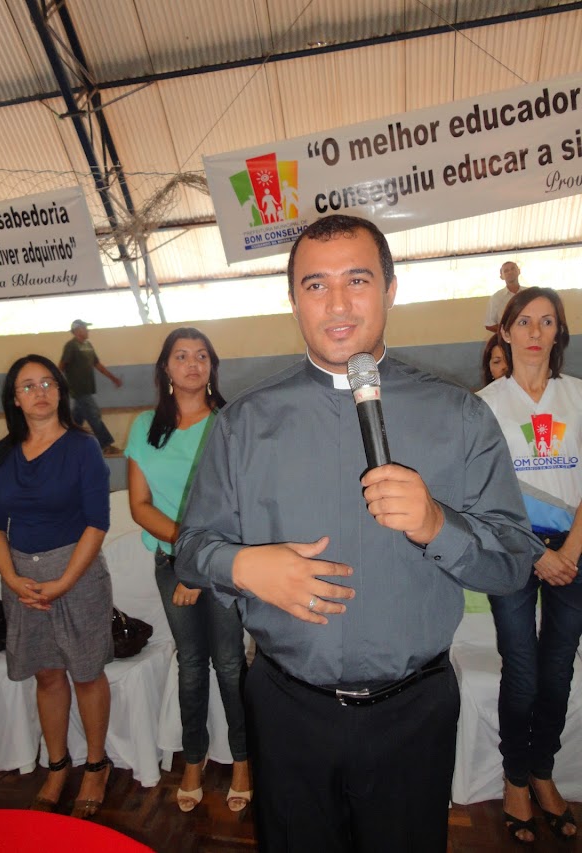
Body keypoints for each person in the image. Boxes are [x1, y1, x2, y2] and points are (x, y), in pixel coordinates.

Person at [175, 214, 539, 853]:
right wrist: (243, 567)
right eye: (315, 285)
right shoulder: (244, 424)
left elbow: (513, 563)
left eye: (358, 280)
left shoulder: (459, 416)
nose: (337, 304)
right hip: (287, 710)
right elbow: (189, 549)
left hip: (413, 713)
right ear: (293, 301)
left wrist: (436, 525)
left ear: (391, 289)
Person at [126, 328, 250, 813]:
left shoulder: (227, 422)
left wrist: (200, 564)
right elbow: (139, 505)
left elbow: (234, 505)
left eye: (202, 356)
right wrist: (185, 559)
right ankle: (193, 759)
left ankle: (243, 759)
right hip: (171, 562)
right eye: (182, 356)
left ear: (212, 367)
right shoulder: (143, 427)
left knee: (231, 662)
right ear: (165, 369)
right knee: (192, 664)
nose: (193, 363)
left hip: (220, 562)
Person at [0, 355, 114, 819]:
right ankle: (58, 766)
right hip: (21, 578)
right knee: (46, 673)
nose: (38, 392)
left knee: (85, 672)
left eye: (46, 383)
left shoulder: (82, 447)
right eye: (26, 386)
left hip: (74, 573)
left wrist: (62, 582)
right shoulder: (2, 455)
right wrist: (12, 577)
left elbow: (98, 522)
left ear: (59, 390)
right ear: (14, 399)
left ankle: (96, 764)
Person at [478, 287, 582, 844]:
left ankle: (543, 773)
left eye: (548, 321)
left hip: (575, 554)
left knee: (559, 669)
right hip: (513, 553)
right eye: (525, 321)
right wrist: (536, 553)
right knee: (521, 671)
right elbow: (484, 496)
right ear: (506, 332)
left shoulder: (579, 397)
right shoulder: (487, 404)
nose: (536, 331)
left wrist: (567, 553)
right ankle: (515, 777)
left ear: (558, 332)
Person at [59, 320, 123, 457]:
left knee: (76, 420)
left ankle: (65, 445)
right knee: (94, 415)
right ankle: (105, 445)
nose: (88, 331)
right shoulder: (71, 346)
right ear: (77, 330)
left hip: (88, 388)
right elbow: (62, 364)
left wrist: (113, 378)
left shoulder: (88, 345)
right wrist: (55, 381)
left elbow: (97, 364)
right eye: (85, 328)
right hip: (78, 389)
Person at [485, 261, 524, 332]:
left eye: (513, 269)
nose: (510, 272)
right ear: (501, 276)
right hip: (506, 340)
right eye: (506, 271)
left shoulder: (529, 293)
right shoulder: (496, 298)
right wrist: (507, 333)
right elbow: (489, 324)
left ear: (518, 271)